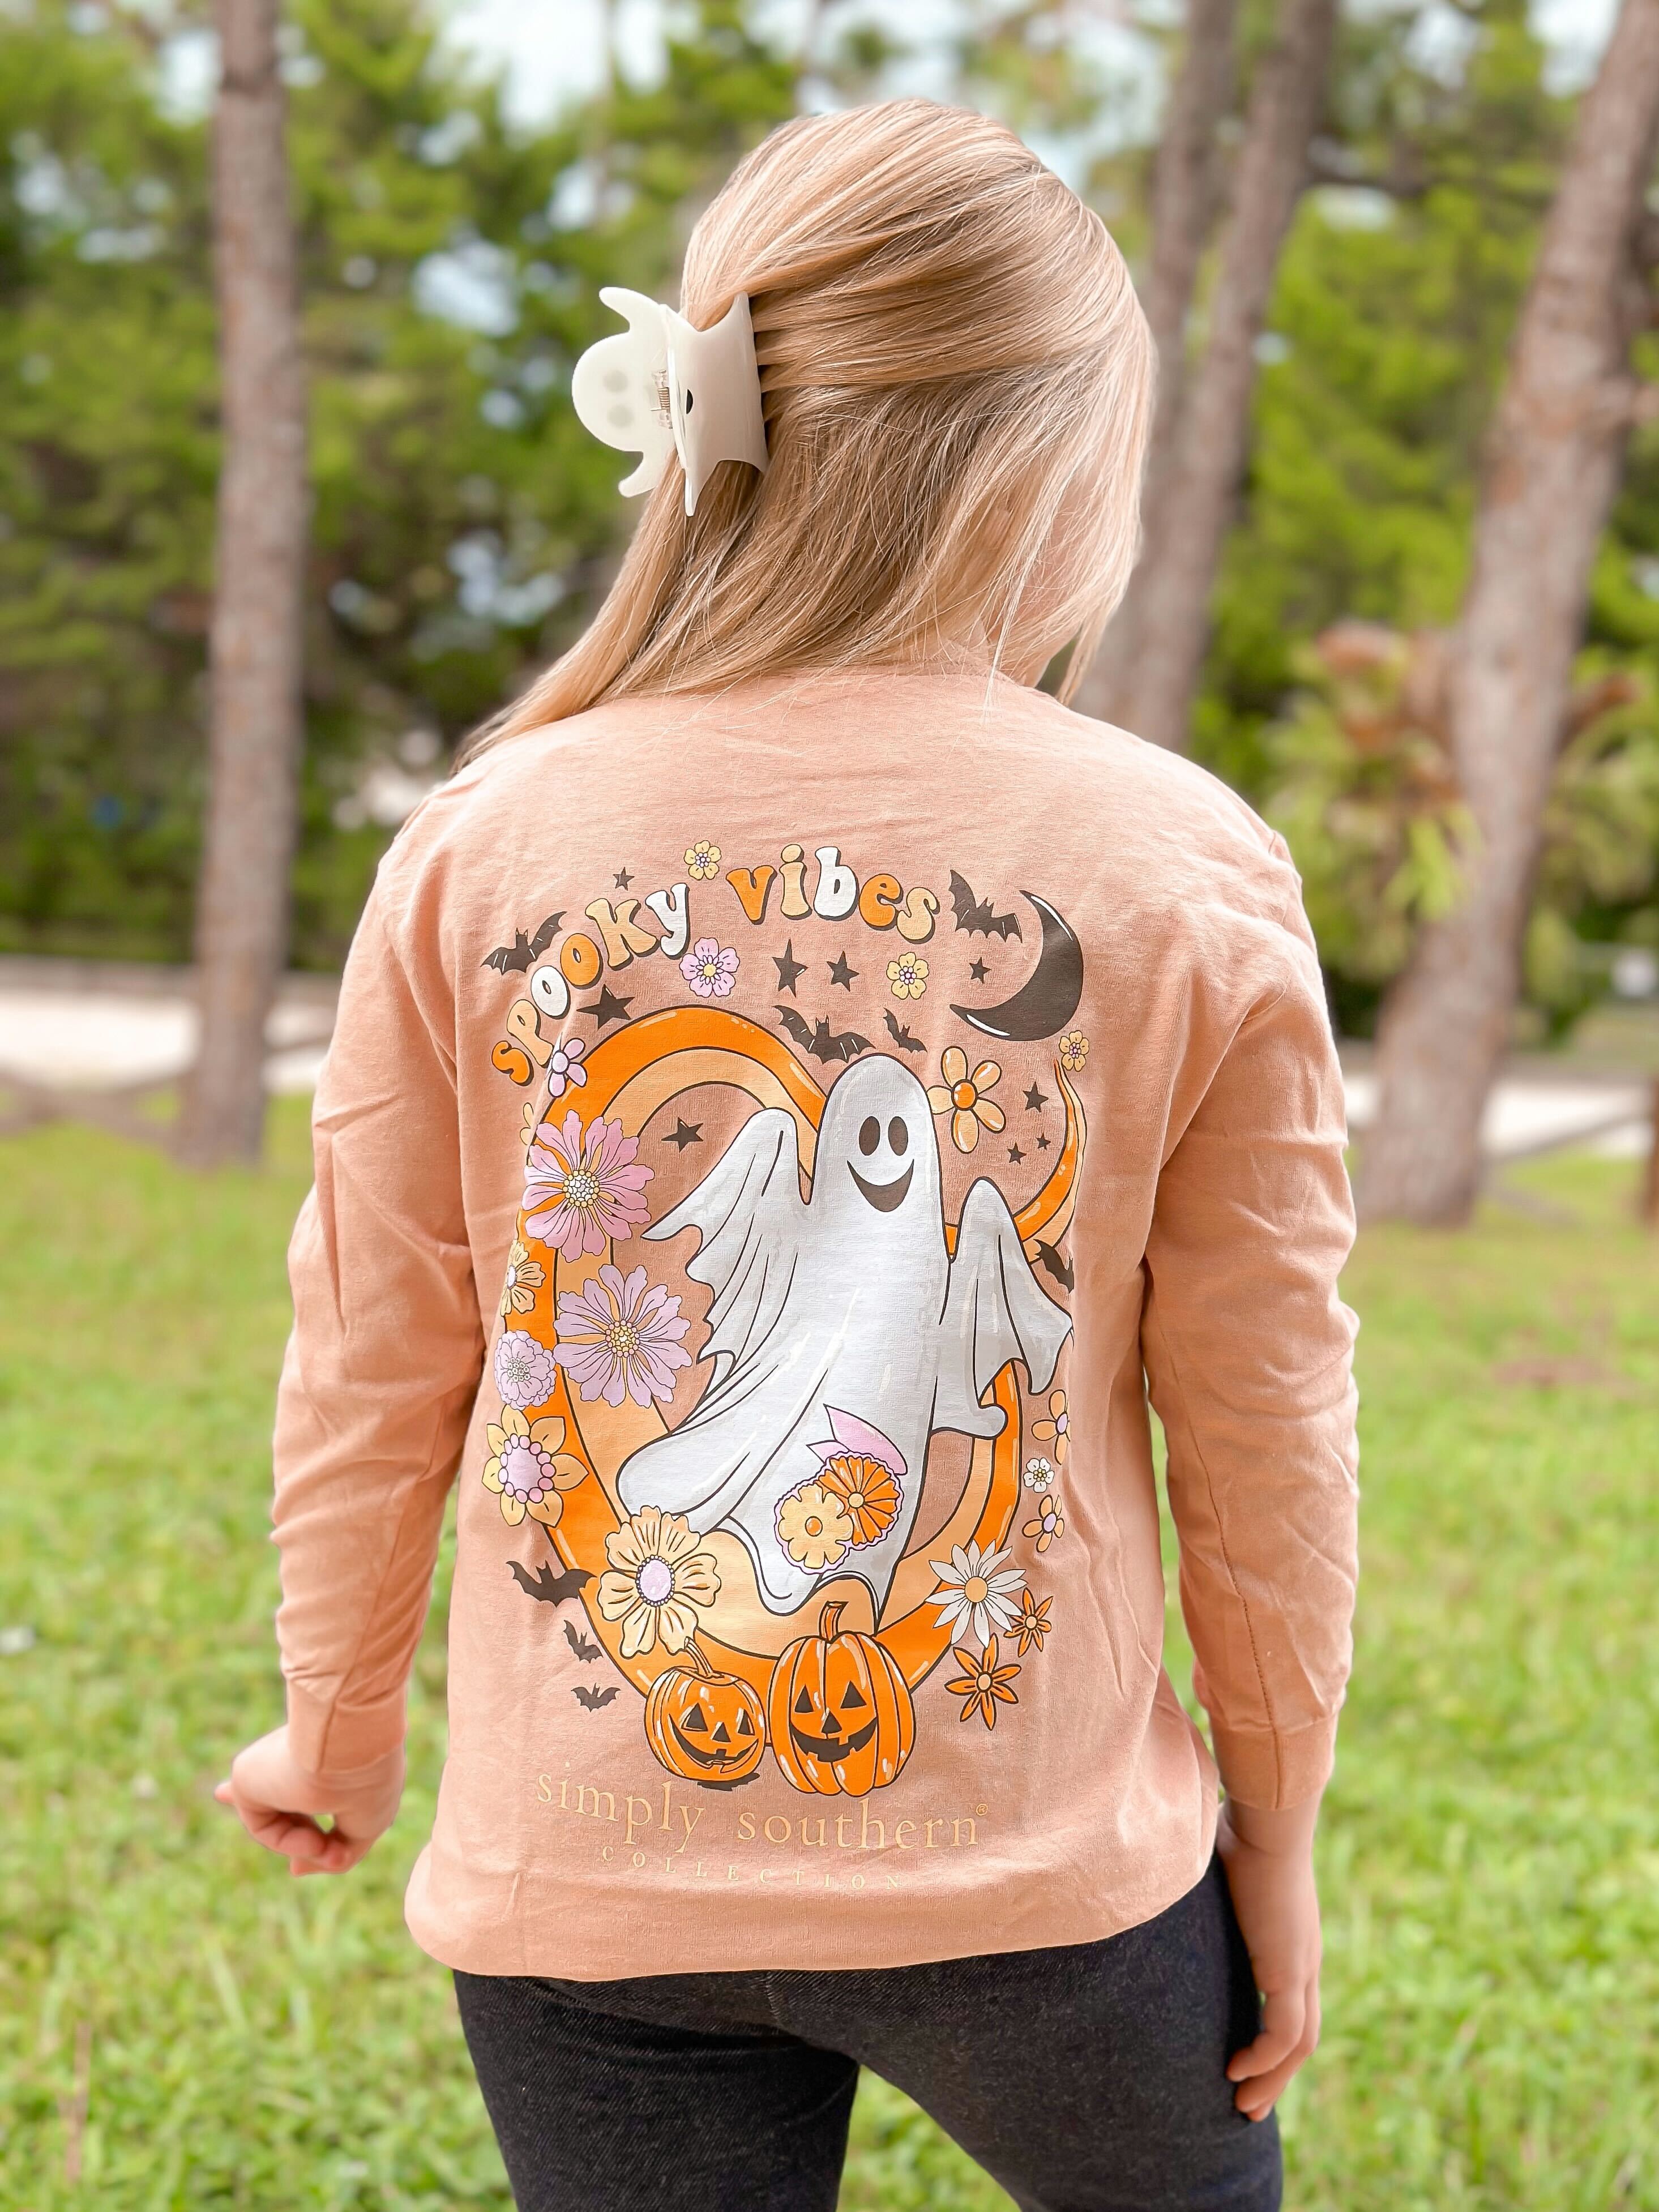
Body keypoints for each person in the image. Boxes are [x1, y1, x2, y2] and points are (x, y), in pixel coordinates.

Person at [216, 100, 1359, 2212]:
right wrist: (1270, 1834)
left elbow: (373, 1351)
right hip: (1047, 1897)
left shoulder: (480, 843)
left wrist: (334, 1726)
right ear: (1058, 469)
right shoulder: (1184, 862)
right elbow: (1263, 1416)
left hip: (582, 1907)